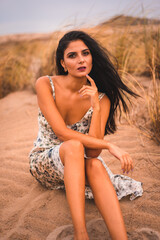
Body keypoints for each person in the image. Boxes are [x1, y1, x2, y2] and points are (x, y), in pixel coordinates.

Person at [29, 30, 143, 240]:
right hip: (45, 161)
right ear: (63, 63)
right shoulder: (45, 84)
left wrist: (97, 108)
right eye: (72, 56)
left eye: (85, 53)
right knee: (73, 146)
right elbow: (62, 133)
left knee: (97, 164)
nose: (81, 59)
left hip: (79, 163)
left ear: (92, 58)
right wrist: (111, 146)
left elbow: (92, 152)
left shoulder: (102, 98)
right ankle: (81, 234)